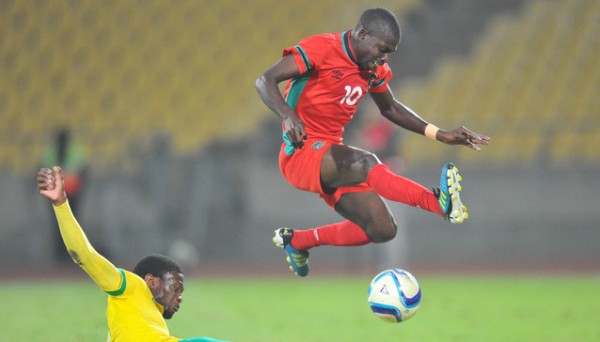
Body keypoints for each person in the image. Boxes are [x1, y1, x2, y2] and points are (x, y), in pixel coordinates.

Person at [255, 7, 490, 277]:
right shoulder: (321, 48)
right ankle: (437, 203)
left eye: (390, 52)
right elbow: (265, 80)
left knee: (383, 229)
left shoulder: (373, 69)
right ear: (362, 35)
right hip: (300, 153)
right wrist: (287, 116)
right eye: (382, 49)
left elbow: (390, 108)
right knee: (366, 162)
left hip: (332, 157)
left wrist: (439, 133)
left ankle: (298, 241)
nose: (384, 57)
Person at [37, 166, 227, 341]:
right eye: (175, 288)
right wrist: (61, 205)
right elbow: (85, 255)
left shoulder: (153, 320)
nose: (180, 297)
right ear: (151, 281)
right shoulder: (132, 287)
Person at [43, 127, 88, 264]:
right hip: (58, 195)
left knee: (71, 225)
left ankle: (71, 256)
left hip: (71, 195)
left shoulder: (74, 152)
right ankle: (61, 257)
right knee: (59, 226)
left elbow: (84, 171)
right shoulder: (52, 152)